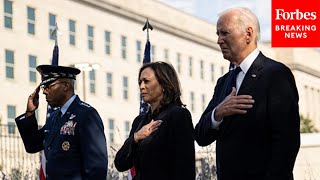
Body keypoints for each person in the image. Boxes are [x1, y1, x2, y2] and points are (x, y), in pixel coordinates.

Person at [195, 7, 300, 180]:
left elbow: (286, 143)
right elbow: (200, 135)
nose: (219, 40)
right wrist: (218, 113)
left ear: (248, 34)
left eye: (225, 33)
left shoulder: (276, 74)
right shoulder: (224, 82)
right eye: (218, 34)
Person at [15, 65, 108, 179]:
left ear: (66, 86)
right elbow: (32, 145)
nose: (44, 91)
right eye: (44, 87)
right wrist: (29, 113)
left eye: (49, 86)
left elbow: (96, 168)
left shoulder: (86, 115)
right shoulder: (55, 117)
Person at [114, 61, 195, 180]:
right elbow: (120, 164)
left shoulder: (178, 115)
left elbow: (185, 168)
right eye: (140, 82)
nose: (141, 86)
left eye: (146, 81)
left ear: (163, 84)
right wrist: (136, 137)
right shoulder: (139, 121)